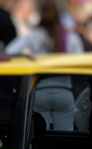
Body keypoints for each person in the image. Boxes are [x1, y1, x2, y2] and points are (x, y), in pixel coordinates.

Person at [5, 0, 82, 131]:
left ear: (40, 13)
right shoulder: (70, 36)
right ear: (58, 13)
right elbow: (81, 61)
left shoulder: (34, 34)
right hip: (64, 92)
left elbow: (9, 51)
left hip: (40, 92)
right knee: (65, 139)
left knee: (39, 137)